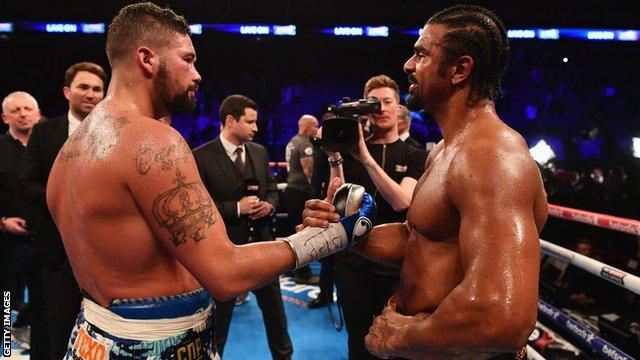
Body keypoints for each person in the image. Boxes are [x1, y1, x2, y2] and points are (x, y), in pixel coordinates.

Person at [46, 3, 374, 358]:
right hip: (155, 344)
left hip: (92, 337)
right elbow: (225, 274)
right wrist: (329, 238)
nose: (197, 74)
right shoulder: (153, 141)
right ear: (146, 59)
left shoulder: (70, 151)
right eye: (188, 59)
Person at [302, 4, 548, 359]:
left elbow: (503, 317)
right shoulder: (448, 149)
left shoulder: (493, 155)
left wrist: (401, 337)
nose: (407, 65)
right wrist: (342, 234)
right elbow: (416, 236)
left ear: (460, 69)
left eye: (421, 54)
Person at [323, 74, 427, 359]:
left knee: (400, 345)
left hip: (399, 267)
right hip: (353, 265)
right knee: (360, 342)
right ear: (362, 109)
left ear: (398, 107)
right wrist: (336, 156)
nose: (381, 109)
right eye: (373, 103)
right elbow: (337, 202)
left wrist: (365, 158)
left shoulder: (415, 154)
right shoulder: (348, 149)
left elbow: (401, 201)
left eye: (387, 102)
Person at [192, 94, 293, 359]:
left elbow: (271, 189)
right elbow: (200, 207)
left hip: (262, 248)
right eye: (250, 122)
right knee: (219, 323)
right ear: (230, 120)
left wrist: (269, 205)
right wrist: (238, 208)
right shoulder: (200, 157)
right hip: (223, 254)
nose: (256, 128)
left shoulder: (259, 152)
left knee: (277, 318)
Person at [18, 61, 106, 359]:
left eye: (97, 89)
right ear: (67, 91)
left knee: (103, 336)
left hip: (106, 255)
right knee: (58, 330)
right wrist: (67, 200)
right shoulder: (44, 133)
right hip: (56, 253)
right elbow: (28, 185)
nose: (91, 94)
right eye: (84, 87)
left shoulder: (116, 134)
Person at [0, 91, 49, 357]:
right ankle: (5, 353)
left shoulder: (51, 150)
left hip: (46, 243)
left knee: (44, 308)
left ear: (38, 113)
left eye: (28, 108)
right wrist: (2, 222)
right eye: (16, 109)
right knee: (6, 305)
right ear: (4, 117)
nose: (23, 113)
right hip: (9, 246)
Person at [284, 114, 320, 285]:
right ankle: (303, 274)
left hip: (291, 191)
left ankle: (296, 270)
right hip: (300, 192)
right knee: (302, 233)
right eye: (315, 126)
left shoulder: (292, 141)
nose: (317, 129)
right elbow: (310, 174)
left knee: (293, 232)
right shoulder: (305, 144)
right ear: (307, 128)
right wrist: (316, 194)